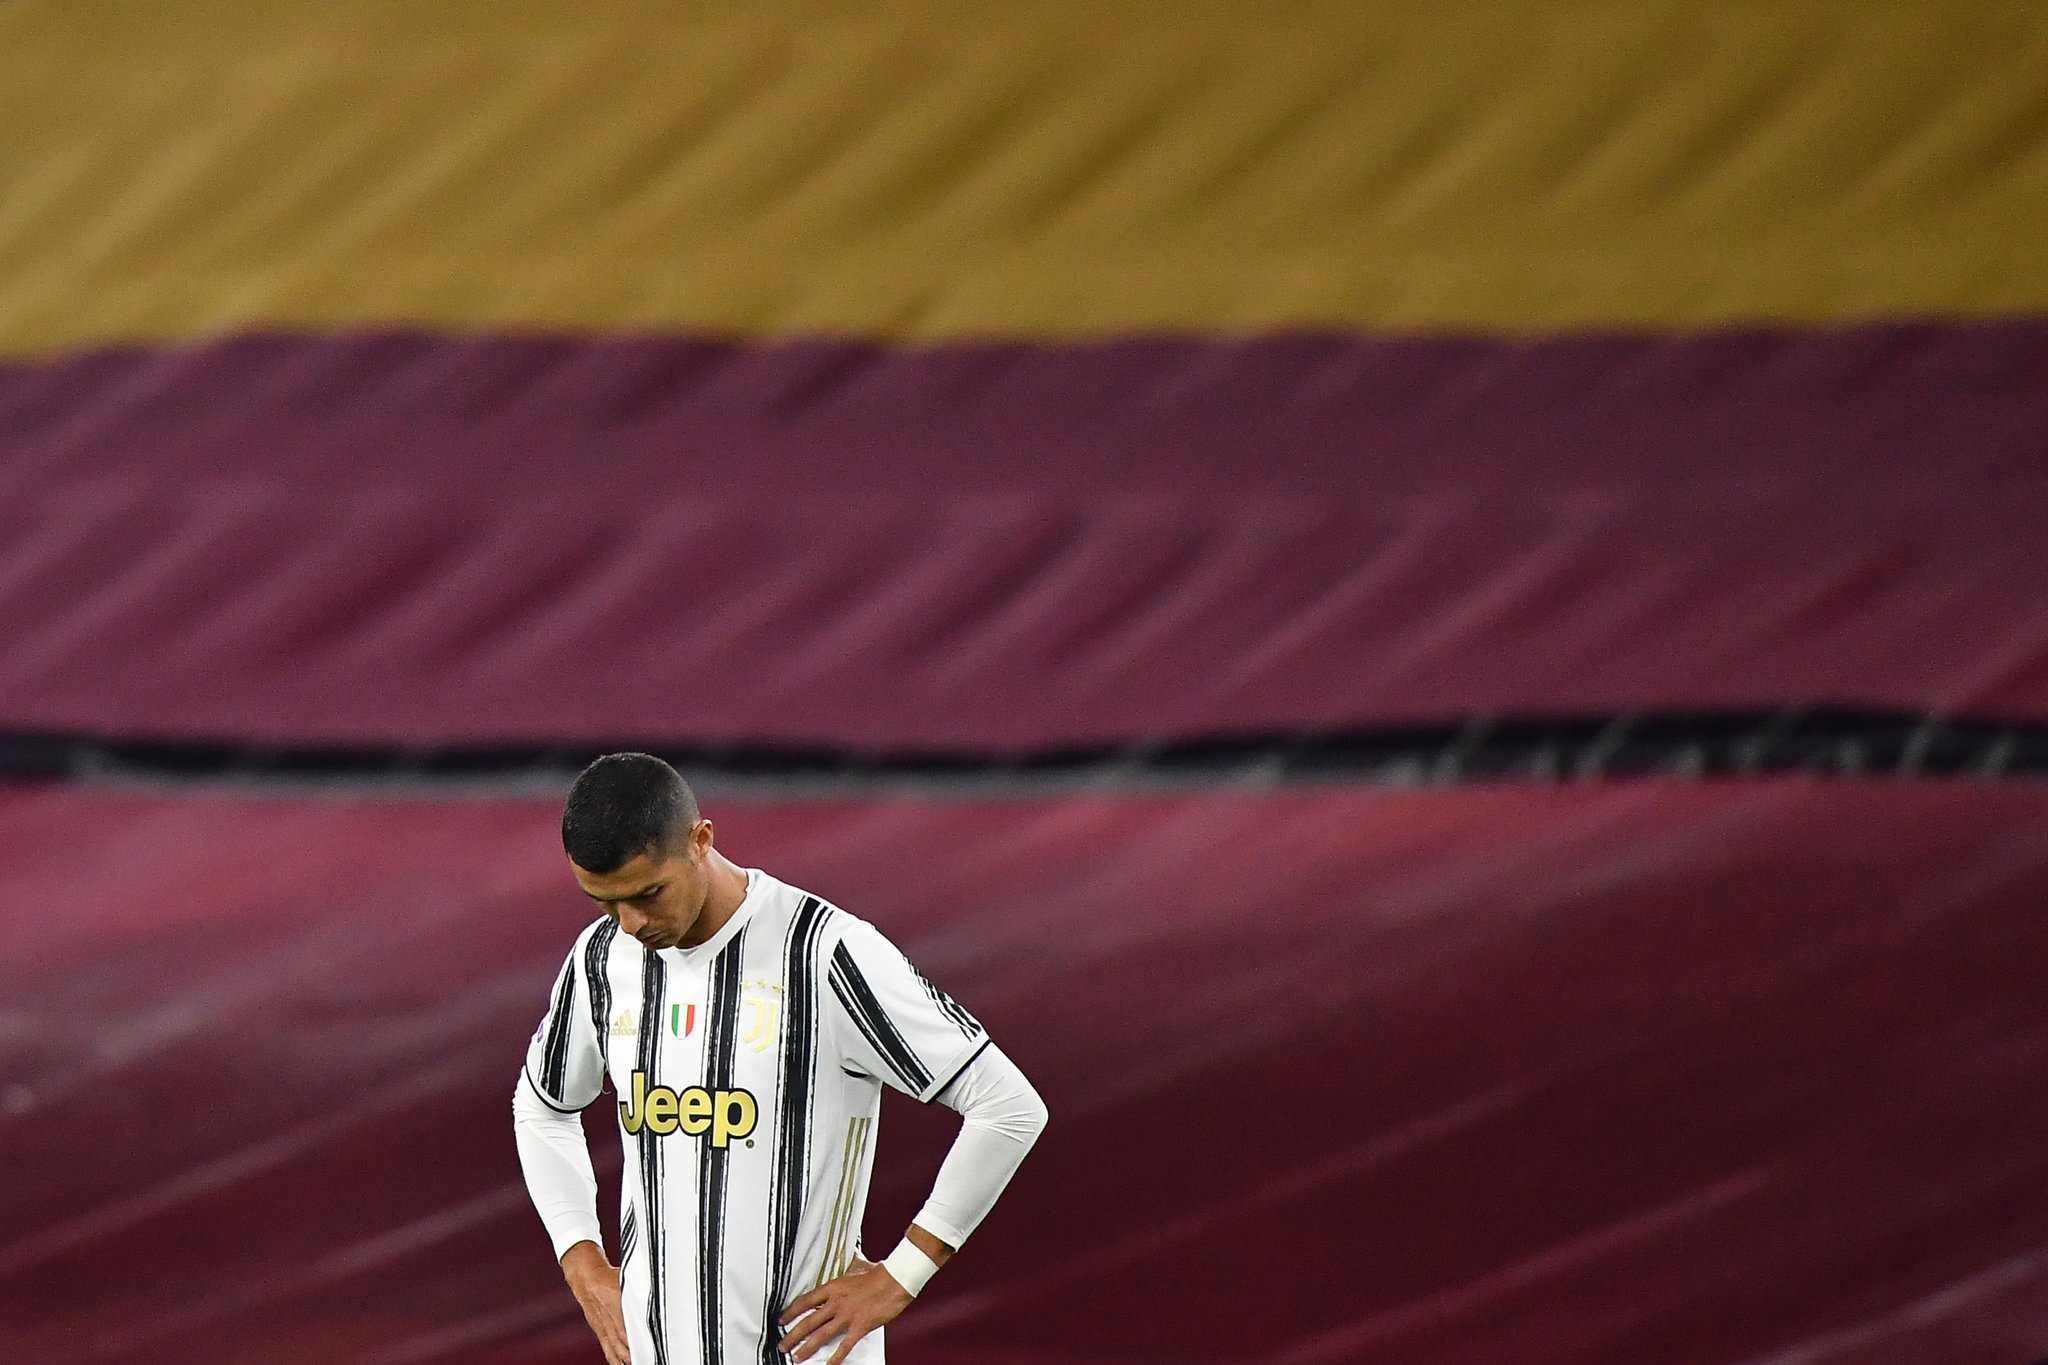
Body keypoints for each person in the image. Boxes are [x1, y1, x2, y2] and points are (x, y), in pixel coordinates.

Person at [513, 753, 1048, 1365]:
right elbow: (541, 1107)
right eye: (604, 903)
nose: (631, 923)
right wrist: (581, 1260)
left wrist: (903, 1274)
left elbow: (1008, 1107)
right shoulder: (602, 959)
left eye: (649, 894)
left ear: (700, 840)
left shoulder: (825, 952)